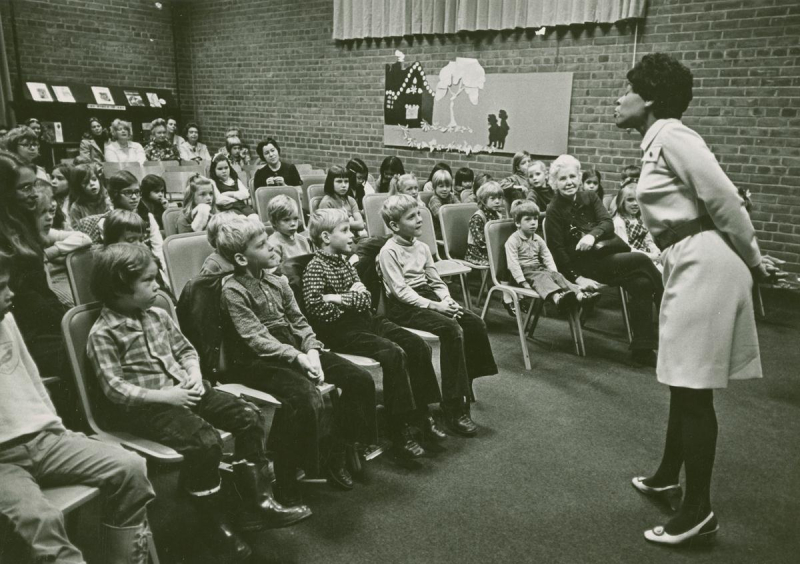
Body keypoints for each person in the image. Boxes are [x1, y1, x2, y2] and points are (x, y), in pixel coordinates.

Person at [615, 52, 779, 546]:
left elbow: (725, 199)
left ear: (648, 100)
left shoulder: (673, 136)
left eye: (626, 90)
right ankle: (668, 474)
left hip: (705, 262)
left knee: (692, 391)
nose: (618, 99)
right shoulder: (657, 141)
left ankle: (698, 511)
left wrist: (753, 260)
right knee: (682, 380)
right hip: (689, 259)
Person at [87, 244, 311, 560]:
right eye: (148, 281)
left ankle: (257, 502)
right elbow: (115, 389)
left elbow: (186, 351)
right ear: (119, 288)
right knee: (205, 443)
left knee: (248, 415)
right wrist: (167, 395)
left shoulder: (158, 316)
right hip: (149, 408)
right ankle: (212, 521)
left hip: (188, 390)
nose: (157, 286)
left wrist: (192, 371)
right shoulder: (103, 333)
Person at [0, 252, 156, 564]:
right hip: (4, 461)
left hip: (44, 439)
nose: (11, 293)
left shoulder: (6, 318)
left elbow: (31, 376)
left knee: (130, 468)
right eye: (1, 288)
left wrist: (55, 426)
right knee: (41, 521)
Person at [217, 219, 378, 497]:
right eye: (262, 245)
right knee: (306, 398)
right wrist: (298, 358)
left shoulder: (278, 281)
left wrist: (312, 349)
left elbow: (299, 322)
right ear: (241, 258)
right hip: (255, 360)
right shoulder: (233, 290)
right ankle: (287, 477)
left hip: (293, 348)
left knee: (358, 379)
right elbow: (256, 338)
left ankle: (339, 449)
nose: (271, 248)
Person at [302, 209, 443, 457]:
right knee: (393, 353)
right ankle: (398, 429)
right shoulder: (315, 268)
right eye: (344, 231)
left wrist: (339, 298)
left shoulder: (344, 261)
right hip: (340, 330)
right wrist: (351, 299)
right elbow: (317, 310)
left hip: (364, 319)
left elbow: (365, 298)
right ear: (325, 237)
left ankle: (421, 414)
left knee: (418, 345)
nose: (351, 236)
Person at [378, 194, 498, 436]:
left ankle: (463, 390)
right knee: (452, 330)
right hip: (405, 306)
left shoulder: (422, 247)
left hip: (428, 296)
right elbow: (400, 291)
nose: (419, 219)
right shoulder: (388, 251)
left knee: (474, 323)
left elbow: (435, 279)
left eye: (418, 214)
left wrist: (446, 300)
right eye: (411, 217)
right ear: (394, 225)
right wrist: (435, 307)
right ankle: (452, 405)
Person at [544, 154, 662, 366]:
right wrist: (577, 278)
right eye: (562, 178)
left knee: (642, 284)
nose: (569, 182)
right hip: (586, 267)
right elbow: (557, 251)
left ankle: (642, 350)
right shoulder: (554, 210)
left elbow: (607, 222)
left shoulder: (589, 197)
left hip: (608, 257)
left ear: (579, 177)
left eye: (572, 176)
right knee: (641, 260)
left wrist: (592, 235)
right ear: (554, 182)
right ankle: (670, 309)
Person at [0, 151, 68, 378]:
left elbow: (41, 291)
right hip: (22, 329)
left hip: (43, 322)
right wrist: (63, 321)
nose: (34, 195)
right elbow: (23, 297)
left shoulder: (24, 223)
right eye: (25, 188)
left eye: (33, 186)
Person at [505, 201, 597, 312]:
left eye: (535, 219)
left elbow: (546, 255)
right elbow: (512, 263)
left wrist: (554, 272)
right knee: (542, 278)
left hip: (538, 268)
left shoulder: (537, 238)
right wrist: (522, 281)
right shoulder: (513, 240)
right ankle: (557, 298)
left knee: (558, 277)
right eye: (528, 219)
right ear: (518, 223)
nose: (533, 223)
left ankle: (581, 296)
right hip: (524, 271)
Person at [464, 181, 516, 315]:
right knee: (507, 258)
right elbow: (481, 243)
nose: (497, 201)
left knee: (514, 255)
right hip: (476, 253)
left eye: (499, 198)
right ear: (483, 200)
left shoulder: (497, 215)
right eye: (493, 198)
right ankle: (507, 295)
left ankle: (512, 291)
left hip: (493, 251)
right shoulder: (477, 217)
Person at [612, 183, 660, 265]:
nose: (635, 203)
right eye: (630, 200)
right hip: (631, 260)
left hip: (646, 256)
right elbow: (626, 249)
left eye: (638, 199)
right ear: (622, 202)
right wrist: (650, 256)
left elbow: (648, 241)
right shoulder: (619, 222)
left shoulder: (640, 220)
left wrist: (656, 251)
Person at [208, 153, 260, 223]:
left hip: (242, 206)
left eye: (226, 168)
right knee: (242, 220)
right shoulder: (213, 182)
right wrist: (237, 196)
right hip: (228, 209)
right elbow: (219, 199)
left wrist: (229, 194)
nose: (224, 171)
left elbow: (246, 194)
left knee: (254, 217)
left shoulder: (234, 180)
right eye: (220, 169)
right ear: (214, 170)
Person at [318, 165, 366, 238]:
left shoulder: (351, 200)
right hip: (338, 240)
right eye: (339, 181)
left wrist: (341, 222)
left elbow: (360, 225)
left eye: (346, 181)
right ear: (331, 183)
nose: (344, 185)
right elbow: (331, 228)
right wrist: (351, 222)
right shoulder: (327, 202)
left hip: (355, 237)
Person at [266, 194, 311, 262]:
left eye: (295, 219)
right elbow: (273, 271)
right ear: (274, 222)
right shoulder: (273, 244)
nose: (293, 224)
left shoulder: (302, 240)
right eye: (286, 220)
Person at [427, 168, 459, 238]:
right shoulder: (434, 200)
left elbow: (460, 209)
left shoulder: (452, 196)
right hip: (438, 231)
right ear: (434, 187)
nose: (445, 189)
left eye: (447, 186)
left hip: (450, 228)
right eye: (441, 186)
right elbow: (442, 217)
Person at [49, 162, 72, 229]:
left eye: (60, 178)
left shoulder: (75, 201)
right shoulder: (50, 200)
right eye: (52, 177)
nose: (53, 181)